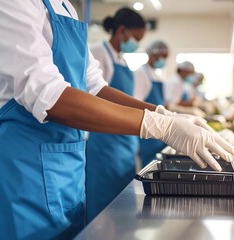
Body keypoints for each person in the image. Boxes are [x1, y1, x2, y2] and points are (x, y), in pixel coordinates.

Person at [0, 1, 234, 240]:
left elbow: (96, 87)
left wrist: (164, 114)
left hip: (69, 165)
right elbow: (49, 95)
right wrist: (159, 126)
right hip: (28, 168)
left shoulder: (66, 7)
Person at [86, 8, 146, 222]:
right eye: (136, 39)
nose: (136, 44)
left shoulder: (122, 59)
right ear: (122, 31)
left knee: (122, 212)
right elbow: (94, 99)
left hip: (126, 145)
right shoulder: (97, 54)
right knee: (102, 211)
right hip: (105, 147)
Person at [135, 40, 170, 167]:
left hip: (159, 127)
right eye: (163, 57)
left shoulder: (157, 74)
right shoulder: (141, 73)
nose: (163, 61)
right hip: (148, 128)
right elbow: (136, 103)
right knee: (149, 167)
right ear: (153, 55)